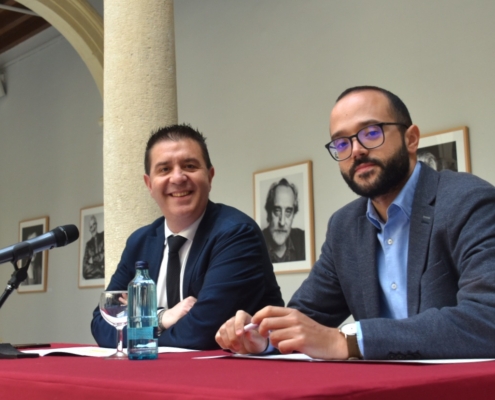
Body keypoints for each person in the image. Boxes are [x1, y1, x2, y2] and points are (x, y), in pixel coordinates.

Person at [215, 86, 495, 360]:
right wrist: (263, 337)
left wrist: (349, 340)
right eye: (342, 143)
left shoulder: (468, 202)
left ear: (411, 139)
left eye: (371, 132)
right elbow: (306, 319)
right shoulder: (344, 226)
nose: (356, 150)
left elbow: (487, 318)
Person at [91, 124, 283, 350]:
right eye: (164, 169)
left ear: (210, 177)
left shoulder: (236, 234)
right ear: (149, 184)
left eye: (190, 166)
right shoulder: (139, 243)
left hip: (226, 379)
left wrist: (137, 327)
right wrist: (162, 318)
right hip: (153, 374)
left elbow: (201, 332)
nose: (178, 177)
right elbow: (103, 322)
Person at [262, 178, 305, 263]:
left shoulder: (303, 240)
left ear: (293, 215)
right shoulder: (255, 243)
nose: (282, 222)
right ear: (268, 213)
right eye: (277, 210)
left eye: (288, 212)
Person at [82, 215, 105, 280]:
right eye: (91, 226)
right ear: (89, 229)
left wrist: (93, 259)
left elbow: (106, 255)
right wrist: (100, 269)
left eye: (94, 224)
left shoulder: (104, 236)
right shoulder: (88, 245)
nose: (93, 228)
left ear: (96, 225)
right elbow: (85, 271)